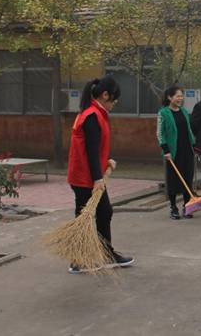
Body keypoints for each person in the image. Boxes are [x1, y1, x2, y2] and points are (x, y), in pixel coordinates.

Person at [67, 76, 133, 273]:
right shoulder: (92, 116)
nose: (115, 103)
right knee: (85, 218)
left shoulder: (95, 113)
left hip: (88, 175)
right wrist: (97, 178)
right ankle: (79, 260)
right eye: (114, 99)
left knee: (103, 213)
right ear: (105, 95)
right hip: (84, 177)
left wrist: (106, 162)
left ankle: (105, 253)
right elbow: (90, 151)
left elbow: (95, 148)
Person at [158, 86, 196, 220]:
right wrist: (166, 150)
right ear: (170, 97)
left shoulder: (184, 112)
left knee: (187, 178)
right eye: (177, 96)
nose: (180, 98)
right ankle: (173, 207)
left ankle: (187, 206)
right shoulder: (163, 113)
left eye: (181, 96)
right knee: (173, 180)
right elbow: (160, 134)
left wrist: (194, 145)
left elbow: (189, 131)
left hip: (187, 151)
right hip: (173, 152)